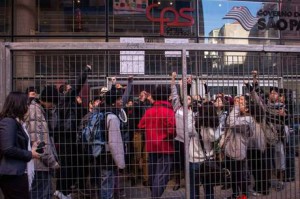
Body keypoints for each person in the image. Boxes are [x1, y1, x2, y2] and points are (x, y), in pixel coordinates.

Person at [0, 92, 41, 199]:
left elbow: (15, 142)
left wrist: (31, 145)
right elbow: (8, 148)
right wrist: (29, 154)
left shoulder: (14, 122)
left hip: (16, 173)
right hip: (13, 175)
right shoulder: (8, 122)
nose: (27, 107)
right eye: (26, 104)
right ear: (18, 105)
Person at [138, 85, 176, 198]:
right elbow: (172, 131)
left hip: (151, 147)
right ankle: (155, 196)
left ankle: (154, 194)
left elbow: (140, 125)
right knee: (162, 176)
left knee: (153, 175)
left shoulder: (149, 111)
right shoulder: (169, 112)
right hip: (165, 147)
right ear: (167, 96)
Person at [24, 86, 60, 199]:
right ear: (49, 100)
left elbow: (52, 126)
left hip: (40, 163)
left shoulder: (41, 110)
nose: (54, 106)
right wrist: (52, 163)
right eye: (53, 103)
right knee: (40, 195)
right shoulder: (36, 112)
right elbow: (40, 143)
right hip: (39, 164)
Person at [190, 102, 220, 199]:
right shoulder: (214, 127)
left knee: (194, 187)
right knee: (208, 187)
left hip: (194, 158)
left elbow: (186, 134)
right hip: (208, 159)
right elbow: (214, 138)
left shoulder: (194, 123)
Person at [171, 72, 195, 190]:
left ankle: (188, 182)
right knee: (178, 162)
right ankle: (177, 182)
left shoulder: (193, 112)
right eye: (186, 98)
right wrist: (173, 79)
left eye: (189, 98)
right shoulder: (177, 108)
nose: (187, 99)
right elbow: (175, 94)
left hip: (190, 141)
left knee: (189, 162)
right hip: (178, 140)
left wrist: (188, 84)